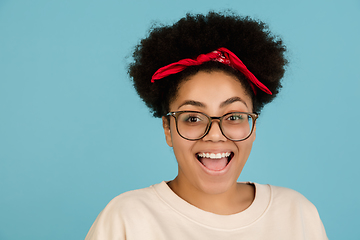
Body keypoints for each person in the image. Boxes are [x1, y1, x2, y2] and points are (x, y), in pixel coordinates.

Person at [85, 11, 328, 239]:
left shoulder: (297, 214)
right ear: (168, 129)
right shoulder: (126, 219)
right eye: (193, 118)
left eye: (233, 117)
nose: (214, 135)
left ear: (253, 127)